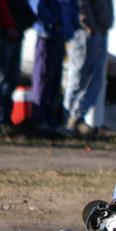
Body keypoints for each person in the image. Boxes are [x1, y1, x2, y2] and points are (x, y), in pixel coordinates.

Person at [63, 0, 114, 136]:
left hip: (100, 31)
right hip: (87, 33)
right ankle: (68, 117)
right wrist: (88, 24)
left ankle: (78, 117)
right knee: (79, 77)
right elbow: (81, 4)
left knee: (96, 78)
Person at [29, 0, 79, 133]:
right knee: (42, 77)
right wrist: (53, 22)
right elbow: (37, 6)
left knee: (55, 79)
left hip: (61, 37)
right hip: (47, 36)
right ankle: (38, 118)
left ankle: (50, 118)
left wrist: (73, 26)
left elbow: (72, 7)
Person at [0, 0, 35, 136]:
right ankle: (3, 119)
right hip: (5, 34)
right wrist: (9, 26)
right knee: (5, 79)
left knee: (11, 79)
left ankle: (7, 119)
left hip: (16, 33)